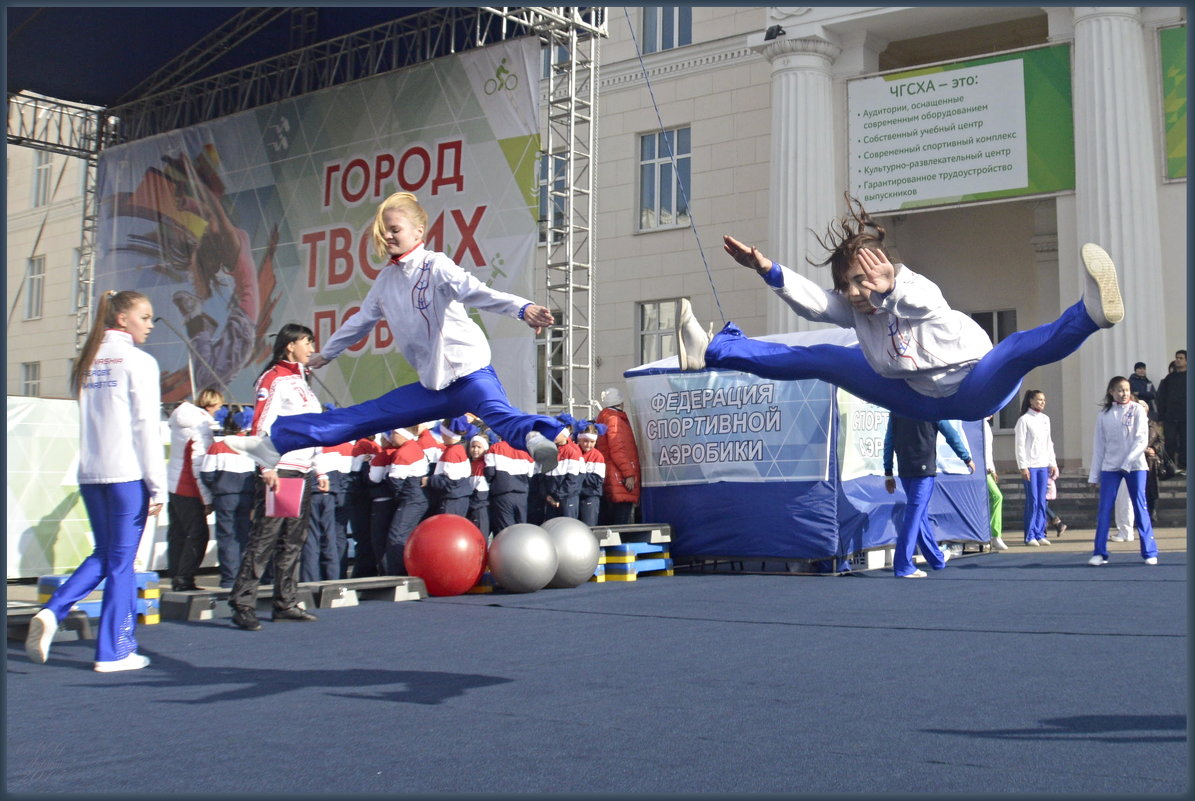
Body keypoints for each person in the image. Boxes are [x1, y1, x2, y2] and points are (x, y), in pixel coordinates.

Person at [675, 195, 1123, 423]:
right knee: (824, 357)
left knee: (1019, 348)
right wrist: (767, 269)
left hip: (973, 386)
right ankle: (711, 351)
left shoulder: (913, 290)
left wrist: (887, 288)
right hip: (913, 396)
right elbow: (814, 305)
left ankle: (1089, 314)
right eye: (845, 285)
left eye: (861, 281)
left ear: (886, 274)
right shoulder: (852, 308)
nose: (853, 293)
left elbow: (920, 302)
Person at [224, 191, 569, 475]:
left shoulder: (436, 266)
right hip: (433, 387)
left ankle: (538, 441)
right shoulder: (386, 281)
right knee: (364, 417)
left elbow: (475, 290)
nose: (387, 235)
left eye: (394, 229)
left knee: (499, 414)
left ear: (419, 232)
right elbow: (361, 320)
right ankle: (274, 444)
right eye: (383, 231)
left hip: (470, 374)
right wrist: (328, 352)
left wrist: (522, 309)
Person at [26, 290, 165, 672]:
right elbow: (145, 428)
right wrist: (156, 486)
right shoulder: (139, 362)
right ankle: (115, 650)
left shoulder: (88, 360)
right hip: (127, 475)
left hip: (91, 472)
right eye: (146, 317)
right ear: (123, 319)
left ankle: (53, 611)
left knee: (106, 554)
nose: (150, 325)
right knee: (121, 564)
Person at [228, 324, 329, 631]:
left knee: (293, 539)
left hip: (301, 469)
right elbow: (261, 421)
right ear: (290, 345)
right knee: (265, 537)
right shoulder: (274, 378)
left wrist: (319, 467)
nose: (311, 348)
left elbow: (313, 428)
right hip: (281, 469)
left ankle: (285, 601)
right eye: (307, 342)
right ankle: (242, 602)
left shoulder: (303, 381)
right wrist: (265, 466)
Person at [883, 415, 974, 578]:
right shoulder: (931, 407)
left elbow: (889, 439)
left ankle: (936, 559)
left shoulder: (897, 407)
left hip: (906, 469)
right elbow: (951, 434)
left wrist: (888, 471)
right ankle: (903, 565)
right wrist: (966, 457)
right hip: (922, 471)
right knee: (914, 515)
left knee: (920, 515)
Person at [1087, 376, 1159, 566]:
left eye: (1126, 390)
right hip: (1111, 467)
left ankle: (1149, 551)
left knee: (1140, 506)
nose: (1124, 393)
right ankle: (1099, 553)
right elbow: (1099, 446)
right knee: (1104, 509)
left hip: (1135, 467)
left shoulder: (1136, 410)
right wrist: (1094, 475)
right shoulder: (1104, 414)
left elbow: (1141, 440)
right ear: (1111, 392)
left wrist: (1127, 462)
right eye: (1119, 390)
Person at [165, 386, 223, 591]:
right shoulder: (201, 426)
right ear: (213, 405)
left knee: (178, 534)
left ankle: (177, 577)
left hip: (174, 486)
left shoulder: (180, 421)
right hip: (190, 489)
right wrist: (207, 500)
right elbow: (199, 466)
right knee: (199, 535)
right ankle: (185, 579)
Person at [201, 407, 257, 588]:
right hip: (247, 496)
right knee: (245, 536)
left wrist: (216, 487)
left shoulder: (217, 447)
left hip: (224, 496)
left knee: (227, 537)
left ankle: (230, 578)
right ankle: (244, 576)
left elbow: (207, 474)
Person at [303, 438, 353, 581]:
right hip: (333, 492)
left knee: (312, 538)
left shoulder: (309, 445)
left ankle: (311, 579)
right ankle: (334, 577)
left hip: (313, 490)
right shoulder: (341, 445)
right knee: (332, 537)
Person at [1014, 390, 1057, 547]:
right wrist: (1023, 466)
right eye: (1039, 400)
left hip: (1043, 465)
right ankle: (1030, 534)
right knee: (1032, 500)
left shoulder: (1045, 419)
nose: (1042, 403)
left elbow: (1048, 442)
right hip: (1030, 466)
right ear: (1031, 401)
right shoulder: (1024, 420)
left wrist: (1052, 462)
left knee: (1041, 501)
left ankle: (1040, 533)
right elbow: (1019, 445)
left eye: (1044, 400)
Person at [595, 387, 641, 525]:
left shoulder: (605, 418)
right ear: (620, 403)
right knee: (621, 520)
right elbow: (618, 449)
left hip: (613, 474)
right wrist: (629, 474)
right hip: (619, 476)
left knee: (613, 518)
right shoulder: (615, 420)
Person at [485, 434, 534, 536]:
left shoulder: (495, 448)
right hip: (522, 496)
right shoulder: (527, 451)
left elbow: (489, 473)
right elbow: (530, 476)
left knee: (505, 533)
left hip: (502, 495)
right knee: (521, 531)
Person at [428, 417, 473, 517]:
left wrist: (428, 480)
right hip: (458, 497)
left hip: (452, 500)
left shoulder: (452, 453)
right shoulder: (458, 449)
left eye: (443, 433)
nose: (442, 436)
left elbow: (450, 481)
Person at [1155, 349, 1186, 476]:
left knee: (1186, 443)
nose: (1177, 360)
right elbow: (1161, 397)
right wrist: (1161, 415)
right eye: (1176, 357)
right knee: (1170, 442)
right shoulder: (1169, 378)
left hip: (1186, 417)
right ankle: (1170, 468)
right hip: (1170, 417)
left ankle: (1184, 467)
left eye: (1181, 358)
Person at [544, 418, 582, 519]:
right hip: (551, 499)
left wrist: (557, 497)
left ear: (565, 434)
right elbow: (543, 477)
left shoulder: (572, 452)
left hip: (567, 498)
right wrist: (547, 495)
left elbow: (572, 480)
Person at [982, 416, 1007, 551]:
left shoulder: (986, 425)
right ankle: (993, 535)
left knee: (995, 497)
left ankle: (993, 535)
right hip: (978, 468)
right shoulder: (976, 423)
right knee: (997, 496)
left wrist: (992, 468)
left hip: (986, 468)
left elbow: (988, 451)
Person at [576, 423, 607, 527]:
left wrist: (579, 475)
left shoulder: (597, 456)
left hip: (591, 495)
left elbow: (597, 480)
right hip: (575, 495)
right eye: (585, 441)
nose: (588, 445)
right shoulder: (574, 452)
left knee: (589, 526)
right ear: (579, 439)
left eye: (592, 442)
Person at [465, 433, 491, 538]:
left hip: (479, 507)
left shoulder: (483, 465)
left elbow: (481, 492)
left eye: (479, 447)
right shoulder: (471, 464)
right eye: (473, 446)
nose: (475, 450)